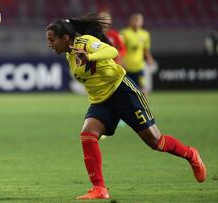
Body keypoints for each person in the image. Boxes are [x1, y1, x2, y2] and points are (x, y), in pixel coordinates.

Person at [45, 13, 206, 200]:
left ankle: (191, 155)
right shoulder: (69, 56)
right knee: (88, 134)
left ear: (66, 38)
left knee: (156, 142)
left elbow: (112, 52)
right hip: (101, 101)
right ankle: (99, 189)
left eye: (52, 40)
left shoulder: (85, 42)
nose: (49, 44)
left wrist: (90, 56)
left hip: (123, 93)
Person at [120, 13, 154, 92]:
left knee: (142, 89)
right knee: (126, 90)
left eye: (139, 20)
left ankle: (144, 104)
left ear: (142, 22)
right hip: (127, 67)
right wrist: (120, 60)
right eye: (135, 20)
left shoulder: (145, 34)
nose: (137, 22)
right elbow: (120, 49)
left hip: (139, 67)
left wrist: (149, 58)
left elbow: (146, 49)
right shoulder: (124, 33)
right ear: (130, 21)